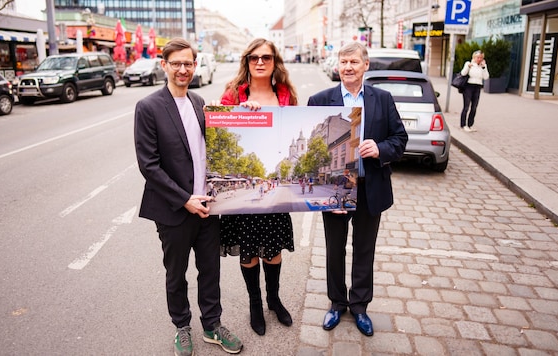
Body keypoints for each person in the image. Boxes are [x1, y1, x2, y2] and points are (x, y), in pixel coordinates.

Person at [134, 38, 242, 356]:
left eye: (188, 63)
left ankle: (212, 325)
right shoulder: (149, 107)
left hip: (208, 206)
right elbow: (149, 165)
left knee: (210, 270)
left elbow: (220, 144)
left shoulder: (198, 102)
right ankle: (182, 326)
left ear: (195, 66)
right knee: (176, 272)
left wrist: (245, 110)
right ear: (164, 65)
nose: (183, 69)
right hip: (174, 209)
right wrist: (185, 199)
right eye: (176, 63)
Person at [307, 41, 408, 337]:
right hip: (336, 189)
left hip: (369, 188)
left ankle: (360, 306)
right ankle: (337, 303)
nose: (348, 67)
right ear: (337, 65)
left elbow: (399, 139)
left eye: (354, 62)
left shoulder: (382, 99)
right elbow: (310, 146)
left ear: (366, 66)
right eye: (343, 61)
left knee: (364, 249)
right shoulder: (320, 99)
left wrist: (380, 148)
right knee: (334, 249)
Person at [216, 38, 298, 336]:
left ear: (275, 61)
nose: (260, 62)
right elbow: (219, 135)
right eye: (254, 57)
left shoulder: (285, 95)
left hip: (274, 191)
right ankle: (255, 303)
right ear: (246, 61)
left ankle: (273, 299)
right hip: (244, 199)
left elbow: (289, 136)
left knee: (273, 248)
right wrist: (239, 111)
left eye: (266, 57)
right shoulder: (232, 95)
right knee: (249, 252)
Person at [459, 50, 489, 132]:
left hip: (477, 87)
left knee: (474, 107)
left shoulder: (483, 66)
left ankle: (470, 124)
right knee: (466, 106)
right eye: (477, 57)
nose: (479, 59)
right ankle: (463, 124)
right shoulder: (469, 63)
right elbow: (463, 73)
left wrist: (484, 68)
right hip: (468, 86)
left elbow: (486, 77)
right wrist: (468, 66)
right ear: (474, 57)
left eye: (481, 58)